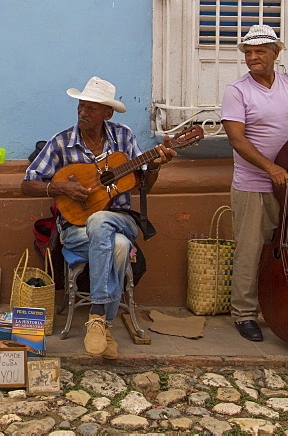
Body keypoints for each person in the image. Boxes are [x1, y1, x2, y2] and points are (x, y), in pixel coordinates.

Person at [21, 76, 176, 359]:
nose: (83, 113)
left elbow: (144, 185)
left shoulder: (124, 137)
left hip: (122, 219)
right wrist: (61, 187)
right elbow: (27, 183)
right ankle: (104, 324)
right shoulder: (61, 142)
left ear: (108, 113)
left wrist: (154, 167)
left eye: (91, 108)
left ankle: (96, 314)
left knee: (101, 220)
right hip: (76, 228)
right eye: (81, 106)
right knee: (115, 245)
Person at [221, 24, 288, 342]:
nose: (253, 57)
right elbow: (237, 140)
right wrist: (270, 168)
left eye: (260, 51)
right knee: (250, 250)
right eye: (248, 52)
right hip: (254, 184)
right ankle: (244, 314)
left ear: (275, 54)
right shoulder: (237, 91)